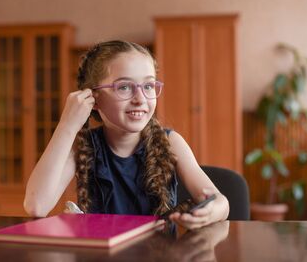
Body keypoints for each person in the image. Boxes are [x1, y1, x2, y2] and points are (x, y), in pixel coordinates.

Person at [24, 40, 229, 229]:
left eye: (148, 86)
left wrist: (212, 211)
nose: (140, 98)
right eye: (124, 87)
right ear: (93, 98)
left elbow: (220, 202)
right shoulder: (84, 145)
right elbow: (36, 206)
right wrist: (67, 125)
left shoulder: (171, 142)